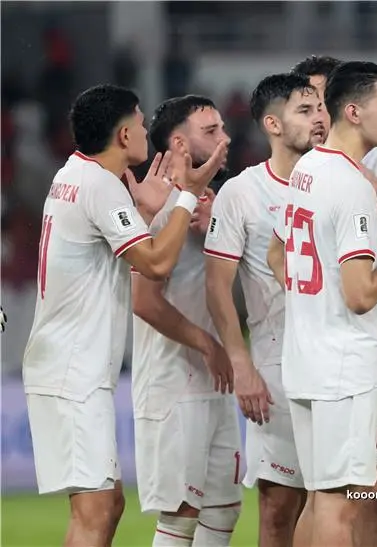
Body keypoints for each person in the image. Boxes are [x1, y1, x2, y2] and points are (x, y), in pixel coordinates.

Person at [22, 84, 225, 547]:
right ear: (123, 133)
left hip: (68, 366)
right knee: (95, 511)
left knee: (106, 506)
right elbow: (156, 263)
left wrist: (143, 210)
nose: (145, 130)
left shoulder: (76, 174)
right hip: (72, 370)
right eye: (139, 121)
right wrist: (187, 197)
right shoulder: (98, 186)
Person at [291, 55, 377, 546]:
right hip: (346, 363)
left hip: (305, 355)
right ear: (353, 111)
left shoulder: (304, 169)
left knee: (319, 495)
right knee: (343, 503)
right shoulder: (351, 183)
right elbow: (362, 294)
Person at [205, 72, 327, 547]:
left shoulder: (341, 181)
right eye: (305, 110)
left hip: (338, 358)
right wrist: (242, 365)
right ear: (272, 124)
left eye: (320, 108)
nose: (319, 118)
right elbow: (218, 286)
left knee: (345, 500)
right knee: (279, 509)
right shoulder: (242, 192)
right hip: (276, 363)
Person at [132, 94, 243, 547]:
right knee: (181, 515)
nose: (225, 139)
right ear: (179, 143)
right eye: (211, 132)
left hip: (214, 382)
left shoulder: (217, 203)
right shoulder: (153, 204)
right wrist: (208, 344)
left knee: (224, 509)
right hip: (173, 380)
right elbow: (145, 301)